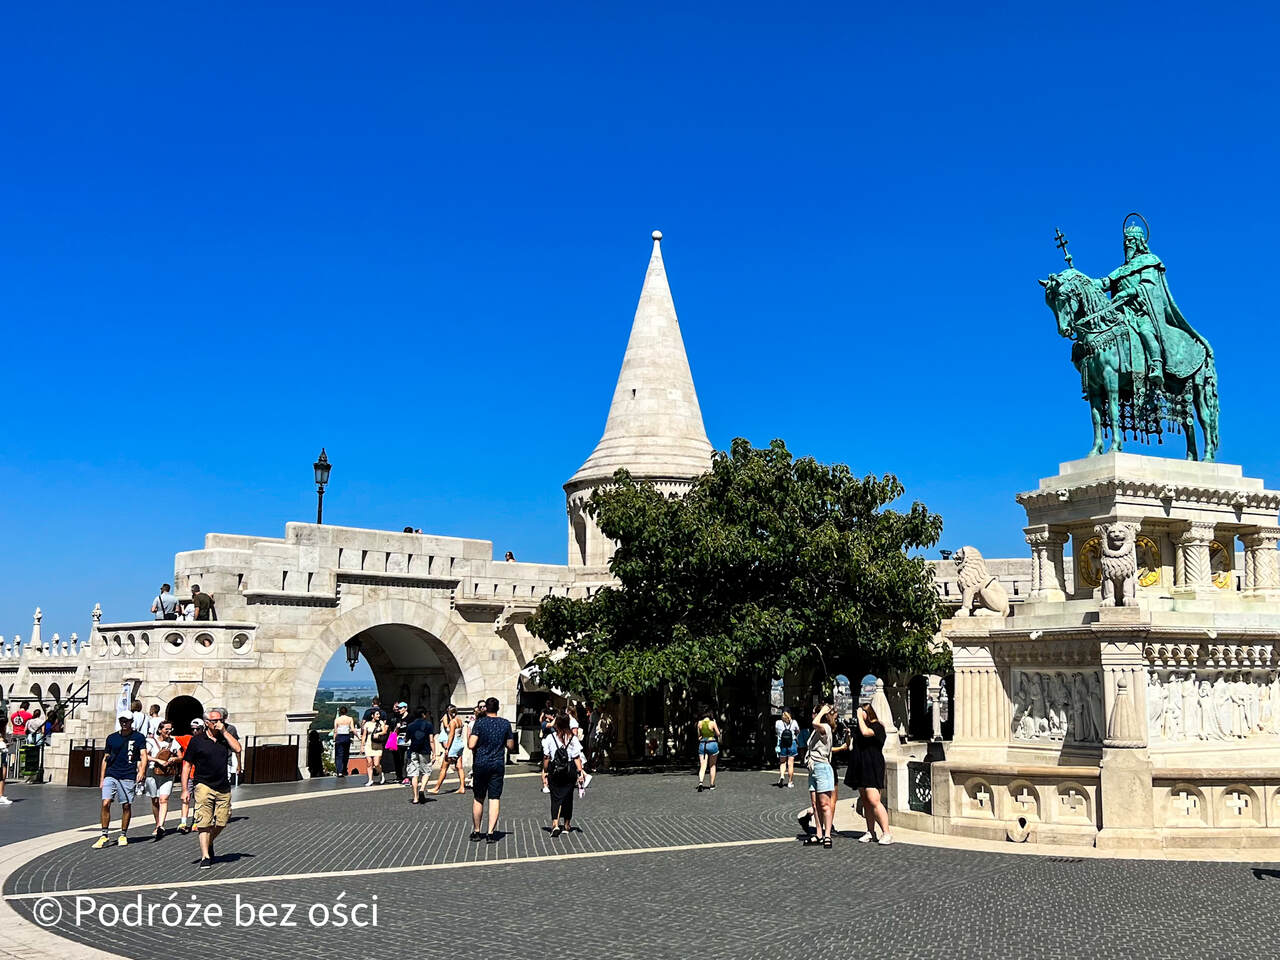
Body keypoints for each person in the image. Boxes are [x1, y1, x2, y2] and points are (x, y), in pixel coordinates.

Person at [181, 707, 241, 869]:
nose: (219, 723)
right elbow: (187, 764)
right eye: (215, 721)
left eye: (220, 720)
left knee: (222, 821)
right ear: (207, 723)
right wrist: (185, 789)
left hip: (222, 785)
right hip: (203, 784)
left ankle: (209, 841)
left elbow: (238, 749)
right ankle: (205, 856)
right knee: (204, 822)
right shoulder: (197, 740)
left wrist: (225, 733)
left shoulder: (225, 737)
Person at [95, 712, 147, 848]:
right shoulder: (111, 738)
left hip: (128, 775)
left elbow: (143, 755)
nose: (124, 723)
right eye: (122, 720)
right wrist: (102, 778)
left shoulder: (139, 737)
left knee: (126, 805)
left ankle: (123, 834)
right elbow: (105, 758)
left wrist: (141, 771)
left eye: (127, 721)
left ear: (131, 721)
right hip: (111, 773)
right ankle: (104, 835)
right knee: (106, 803)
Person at [467, 697, 515, 843]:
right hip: (497, 764)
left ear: (485, 708)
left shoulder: (479, 723)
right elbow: (511, 746)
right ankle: (490, 832)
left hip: (481, 763)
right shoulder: (505, 724)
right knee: (494, 798)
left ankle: (476, 831)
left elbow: (471, 744)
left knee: (478, 798)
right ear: (498, 708)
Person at [845, 701, 892, 845]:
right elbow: (850, 745)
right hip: (860, 765)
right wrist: (848, 734)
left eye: (862, 712)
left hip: (872, 764)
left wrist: (859, 718)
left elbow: (866, 733)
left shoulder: (877, 726)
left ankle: (887, 832)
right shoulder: (860, 727)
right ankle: (870, 831)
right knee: (865, 800)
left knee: (874, 799)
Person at [541, 713, 585, 837]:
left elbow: (546, 756)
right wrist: (580, 772)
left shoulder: (550, 738)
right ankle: (566, 824)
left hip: (555, 770)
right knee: (568, 797)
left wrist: (545, 770)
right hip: (569, 770)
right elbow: (577, 757)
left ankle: (555, 824)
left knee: (555, 798)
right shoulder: (573, 738)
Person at [805, 703, 837, 848]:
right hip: (813, 768)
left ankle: (827, 834)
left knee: (825, 804)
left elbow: (814, 722)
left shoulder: (825, 728)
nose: (812, 715)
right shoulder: (817, 730)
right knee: (815, 804)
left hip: (822, 768)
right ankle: (818, 833)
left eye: (814, 712)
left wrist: (822, 711)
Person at [144, 719, 182, 838]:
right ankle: (157, 824)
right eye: (166, 729)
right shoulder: (150, 741)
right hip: (152, 773)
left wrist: (174, 759)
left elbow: (181, 756)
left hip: (167, 773)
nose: (169, 731)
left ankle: (161, 825)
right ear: (160, 730)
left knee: (163, 799)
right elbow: (145, 755)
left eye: (170, 729)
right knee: (155, 800)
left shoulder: (173, 742)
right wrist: (157, 760)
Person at [429, 705, 466, 794]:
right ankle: (462, 787)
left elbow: (451, 736)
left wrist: (447, 748)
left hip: (453, 745)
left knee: (444, 768)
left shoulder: (453, 722)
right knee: (459, 767)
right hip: (460, 744)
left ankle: (436, 788)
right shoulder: (460, 720)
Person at [174, 718, 203, 833]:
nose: (195, 731)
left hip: (201, 775)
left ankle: (196, 821)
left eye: (197, 729)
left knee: (199, 800)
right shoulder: (187, 738)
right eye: (193, 729)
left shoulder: (205, 740)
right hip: (190, 774)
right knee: (186, 799)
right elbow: (171, 738)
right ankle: (183, 822)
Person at [405, 707, 435, 803]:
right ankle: (422, 789)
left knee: (414, 774)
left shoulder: (410, 726)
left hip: (413, 750)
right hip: (425, 751)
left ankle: (415, 798)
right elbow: (431, 740)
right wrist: (434, 752)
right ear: (423, 714)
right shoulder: (428, 725)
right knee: (426, 771)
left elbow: (406, 739)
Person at [695, 707, 721, 792]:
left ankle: (700, 782)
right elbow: (718, 734)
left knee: (703, 765)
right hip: (712, 743)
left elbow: (699, 737)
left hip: (703, 744)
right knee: (712, 765)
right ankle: (712, 785)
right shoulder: (712, 723)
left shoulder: (699, 723)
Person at [361, 709, 388, 786]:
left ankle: (381, 773)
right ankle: (370, 779)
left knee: (376, 764)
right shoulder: (367, 724)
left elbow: (385, 731)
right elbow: (364, 735)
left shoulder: (381, 723)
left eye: (379, 714)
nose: (378, 716)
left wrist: (378, 733)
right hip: (368, 745)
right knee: (369, 763)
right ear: (372, 715)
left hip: (378, 745)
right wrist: (362, 746)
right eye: (377, 714)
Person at [775, 710, 800, 788]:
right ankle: (790, 782)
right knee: (790, 764)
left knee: (782, 763)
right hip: (792, 743)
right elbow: (798, 731)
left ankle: (782, 776)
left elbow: (777, 732)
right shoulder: (794, 722)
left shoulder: (778, 722)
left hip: (782, 744)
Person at [332, 706, 356, 777]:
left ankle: (339, 771)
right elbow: (353, 729)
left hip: (339, 737)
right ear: (346, 712)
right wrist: (358, 737)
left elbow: (335, 730)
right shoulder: (350, 719)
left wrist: (334, 739)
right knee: (346, 754)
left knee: (339, 755)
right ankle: (344, 769)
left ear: (340, 712)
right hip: (346, 737)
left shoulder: (337, 719)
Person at [391, 702, 411, 784]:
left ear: (405, 708)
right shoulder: (399, 718)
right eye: (398, 708)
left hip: (408, 740)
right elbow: (395, 730)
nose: (399, 710)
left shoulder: (410, 717)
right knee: (400, 759)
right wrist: (397, 727)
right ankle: (400, 776)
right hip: (400, 740)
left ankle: (407, 776)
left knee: (406, 758)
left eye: (400, 708)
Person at [0, 714, 11, 805]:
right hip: (1, 753)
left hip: (3, 753)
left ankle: (1, 795)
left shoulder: (3, 732)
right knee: (2, 776)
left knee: (2, 776)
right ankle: (0, 795)